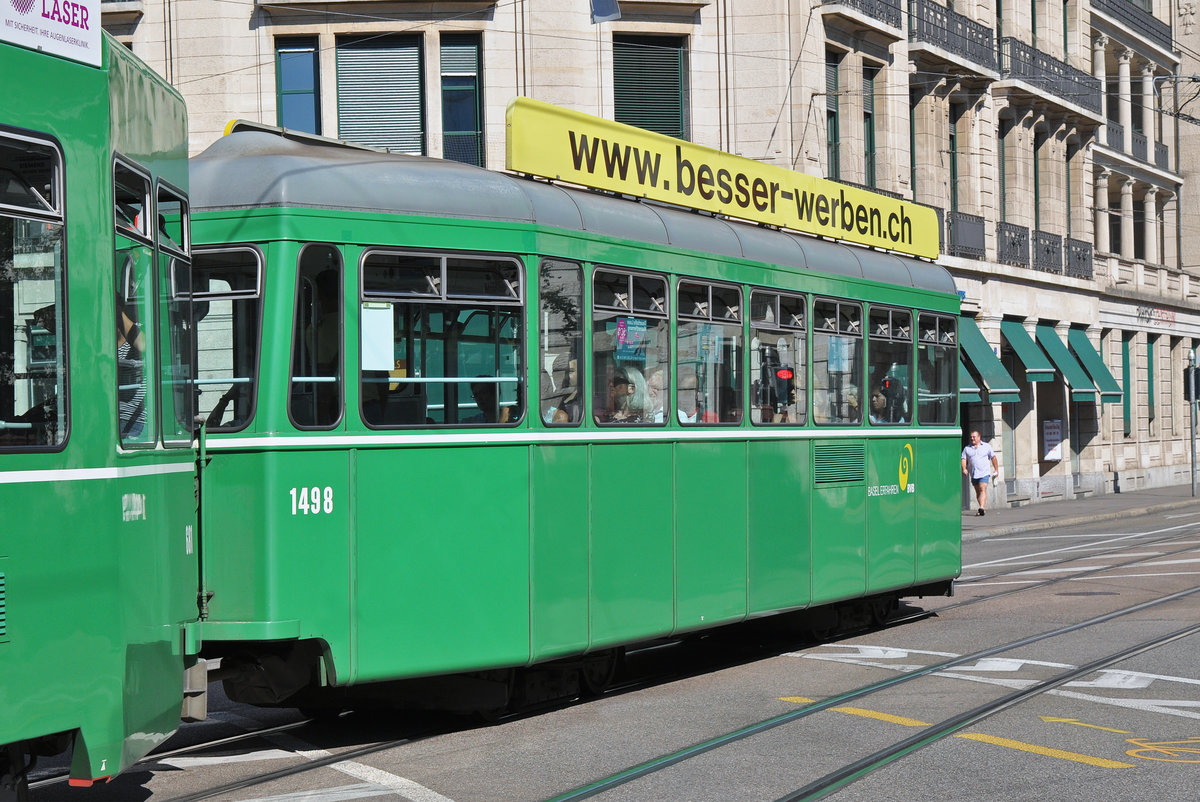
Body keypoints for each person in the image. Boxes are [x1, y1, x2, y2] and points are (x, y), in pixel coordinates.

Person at [116, 300, 147, 439]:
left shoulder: (135, 343)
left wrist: (116, 309)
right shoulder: (103, 346)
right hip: (112, 419)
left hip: (136, 422)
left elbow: (144, 344)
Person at [961, 429, 999, 515]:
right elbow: (963, 459)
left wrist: (996, 470)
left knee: (982, 488)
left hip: (984, 473)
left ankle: (981, 507)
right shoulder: (967, 448)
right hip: (974, 474)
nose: (972, 438)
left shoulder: (986, 446)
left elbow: (993, 458)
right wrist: (964, 468)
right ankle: (982, 508)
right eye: (971, 437)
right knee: (978, 492)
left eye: (974, 437)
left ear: (979, 437)